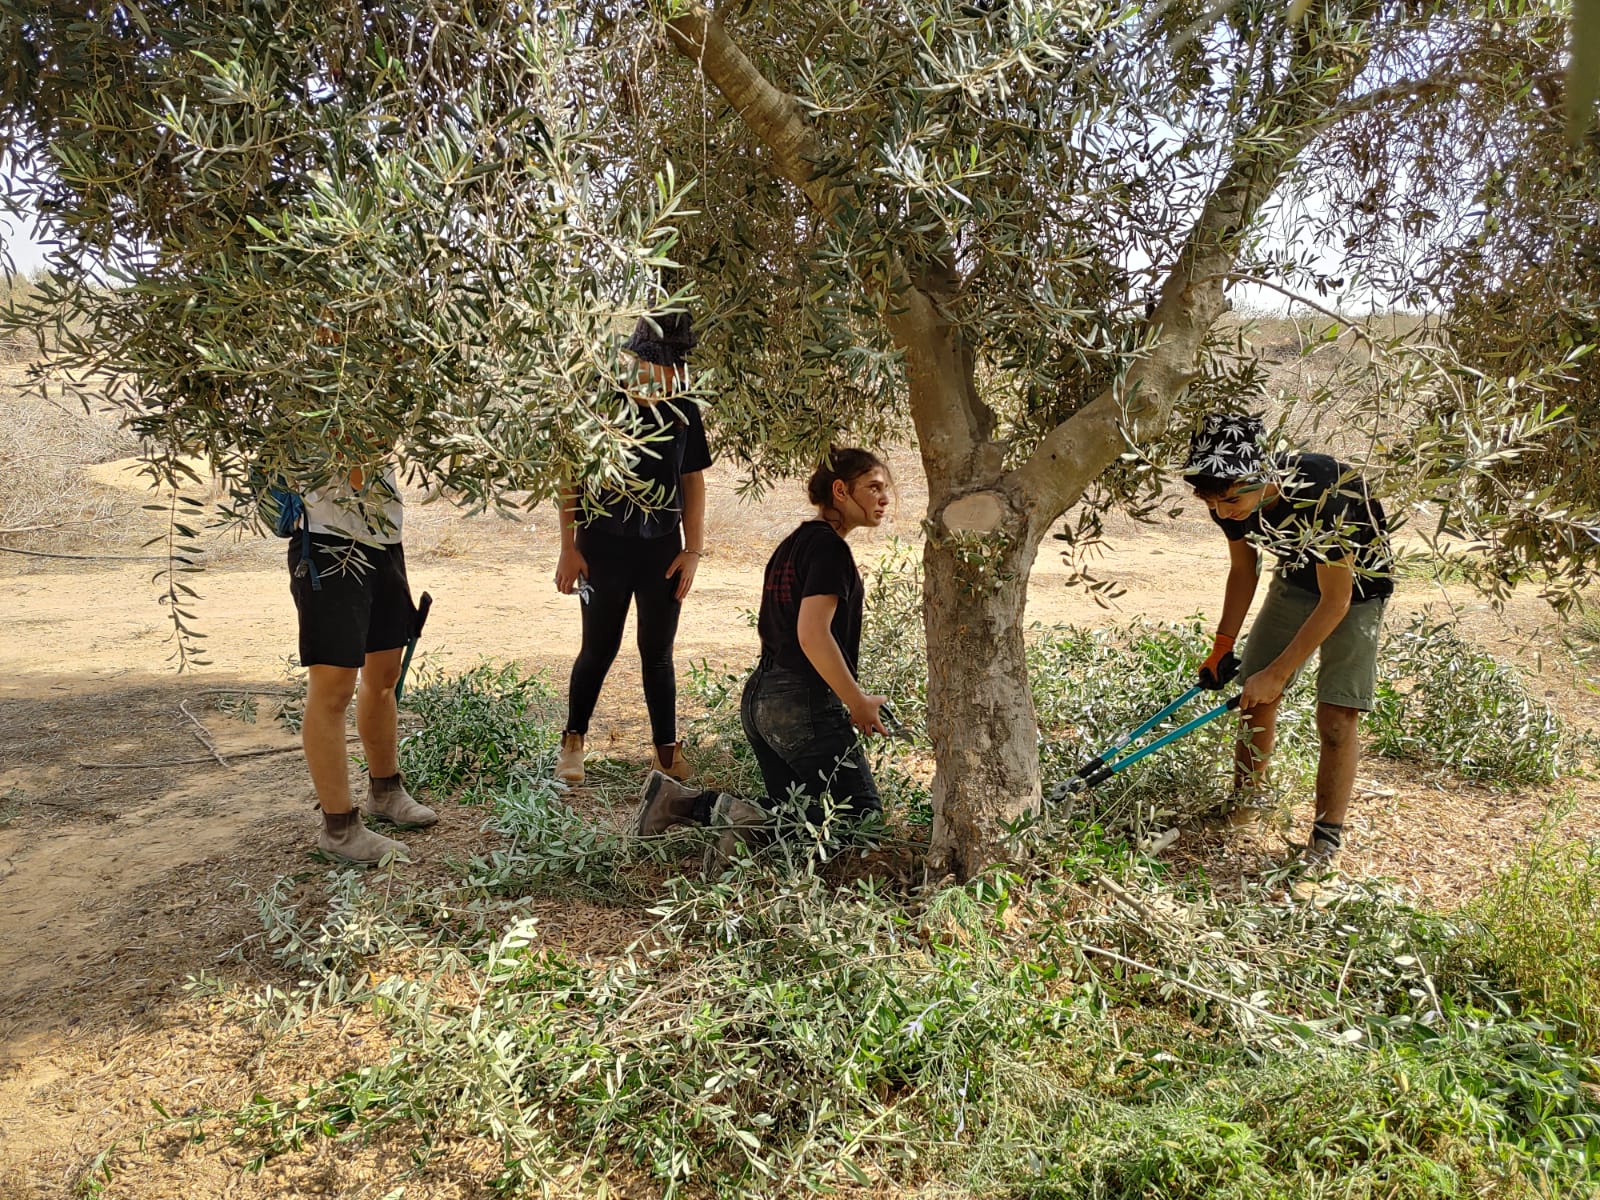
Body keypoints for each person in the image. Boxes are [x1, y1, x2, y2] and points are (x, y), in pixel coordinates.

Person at [633, 448, 893, 844]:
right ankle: (722, 815)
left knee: (794, 812)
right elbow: (812, 634)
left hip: (761, 699)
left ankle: (684, 804)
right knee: (862, 821)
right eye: (873, 487)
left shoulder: (792, 545)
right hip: (801, 705)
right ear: (840, 491)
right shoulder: (830, 550)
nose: (884, 498)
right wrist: (856, 701)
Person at [1183, 412, 1393, 886]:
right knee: (1253, 697)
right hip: (1296, 580)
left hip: (1358, 592)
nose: (1222, 512)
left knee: (1337, 717)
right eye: (1211, 503)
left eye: (1230, 500)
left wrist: (1278, 673)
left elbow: (1336, 601)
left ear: (1264, 477)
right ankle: (1246, 806)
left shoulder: (1325, 495)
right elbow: (1244, 570)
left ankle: (1325, 837)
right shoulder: (1227, 497)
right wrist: (1222, 647)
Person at [553, 309, 711, 785]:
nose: (668, 377)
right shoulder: (600, 403)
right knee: (598, 648)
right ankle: (572, 744)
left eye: (675, 368)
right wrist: (567, 548)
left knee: (657, 652)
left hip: (661, 550)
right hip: (601, 547)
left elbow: (693, 480)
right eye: (659, 366)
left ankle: (666, 754)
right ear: (636, 361)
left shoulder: (683, 409)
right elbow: (569, 477)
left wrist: (693, 550)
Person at [289, 467, 438, 865]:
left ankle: (385, 791)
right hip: (328, 544)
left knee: (386, 674)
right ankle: (339, 828)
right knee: (333, 688)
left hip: (383, 540)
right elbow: (355, 473)